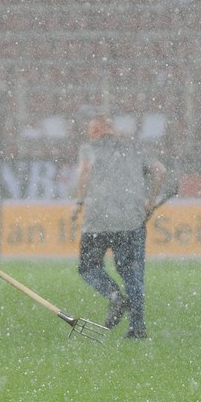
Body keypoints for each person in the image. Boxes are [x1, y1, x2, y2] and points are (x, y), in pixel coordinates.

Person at [72, 113, 166, 339]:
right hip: (131, 221)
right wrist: (150, 203)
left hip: (97, 220)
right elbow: (160, 171)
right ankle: (137, 328)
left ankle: (113, 294)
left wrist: (79, 203)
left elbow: (85, 172)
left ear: (95, 131)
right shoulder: (135, 148)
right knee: (132, 275)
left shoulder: (90, 148)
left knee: (88, 267)